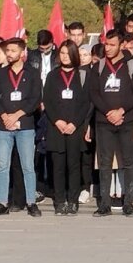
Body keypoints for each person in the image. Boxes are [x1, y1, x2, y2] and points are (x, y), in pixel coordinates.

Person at [89, 29, 133, 216]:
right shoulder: (98, 66)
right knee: (104, 162)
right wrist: (108, 112)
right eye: (106, 44)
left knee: (128, 161)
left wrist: (120, 111)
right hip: (104, 121)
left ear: (121, 45)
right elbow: (94, 93)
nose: (108, 48)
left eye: (113, 45)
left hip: (126, 120)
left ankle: (128, 203)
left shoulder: (131, 65)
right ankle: (104, 204)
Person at [0, 38, 43, 218]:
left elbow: (35, 99)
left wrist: (17, 115)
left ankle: (31, 202)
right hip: (3, 126)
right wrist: (5, 116)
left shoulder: (32, 73)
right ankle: (2, 203)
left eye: (13, 50)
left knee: (27, 166)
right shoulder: (1, 73)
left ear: (22, 52)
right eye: (7, 51)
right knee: (3, 166)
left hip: (25, 125)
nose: (9, 54)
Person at [43, 41, 91, 215]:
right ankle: (59, 200)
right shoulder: (53, 75)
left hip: (74, 128)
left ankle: (72, 200)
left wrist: (74, 123)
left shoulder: (82, 75)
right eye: (62, 53)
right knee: (58, 166)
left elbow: (86, 102)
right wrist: (57, 121)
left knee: (74, 165)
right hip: (56, 127)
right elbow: (47, 100)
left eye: (68, 53)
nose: (64, 56)